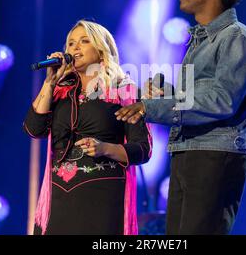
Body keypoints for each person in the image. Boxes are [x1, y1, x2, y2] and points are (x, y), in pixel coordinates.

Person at [115, 0, 246, 234]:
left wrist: (151, 107)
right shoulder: (201, 41)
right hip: (189, 151)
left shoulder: (237, 38)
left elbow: (221, 101)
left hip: (214, 155)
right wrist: (165, 93)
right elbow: (199, 97)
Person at [23, 20, 152, 235]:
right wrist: (50, 82)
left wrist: (104, 148)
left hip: (101, 197)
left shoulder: (123, 90)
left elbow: (143, 149)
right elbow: (33, 129)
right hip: (59, 196)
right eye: (71, 44)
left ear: (101, 51)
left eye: (84, 42)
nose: (75, 48)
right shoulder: (60, 91)